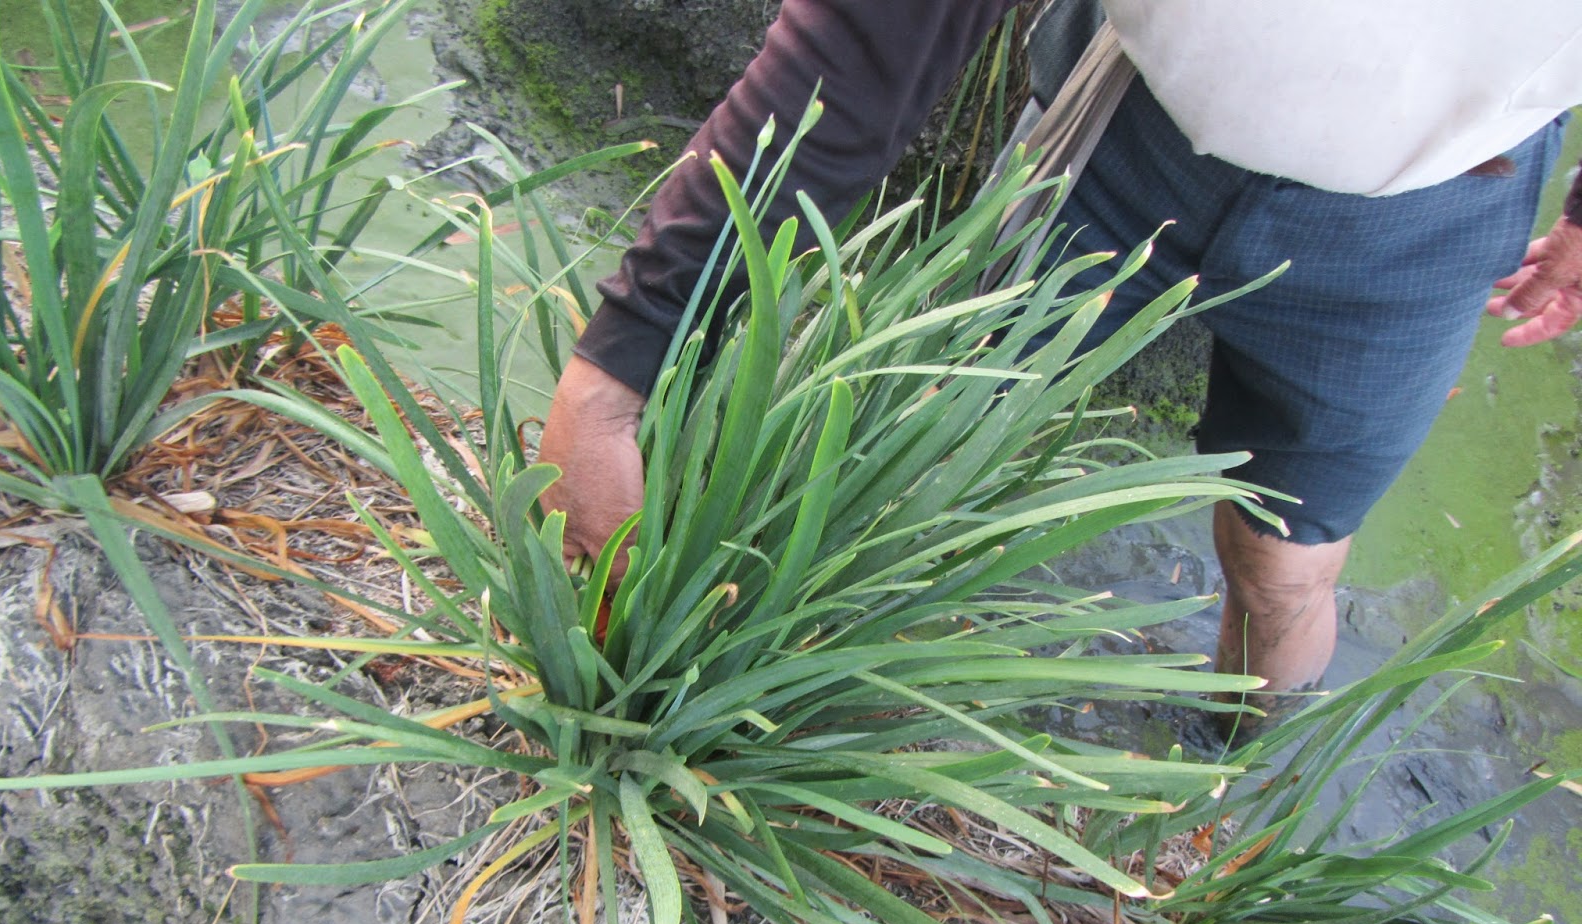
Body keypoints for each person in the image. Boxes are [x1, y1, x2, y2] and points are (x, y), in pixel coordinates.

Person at [537, 0, 1582, 708]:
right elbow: (868, 44)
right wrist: (623, 366)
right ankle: (788, 710)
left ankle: (1235, 789)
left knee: (1285, 568)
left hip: (1428, 215)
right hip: (1125, 122)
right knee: (903, 456)